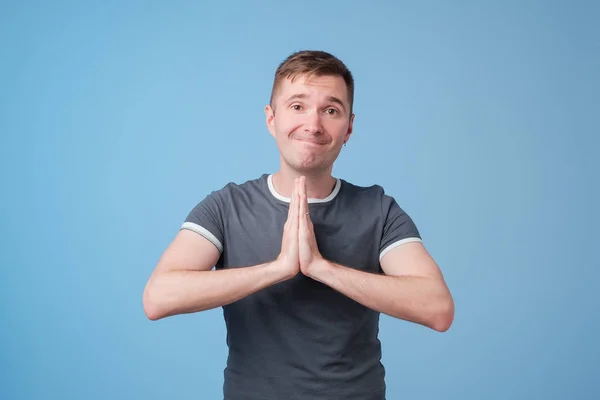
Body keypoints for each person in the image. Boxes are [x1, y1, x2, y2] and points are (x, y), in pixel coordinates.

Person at [143, 50, 454, 400]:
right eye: (297, 106)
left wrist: (322, 268)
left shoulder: (379, 210)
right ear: (271, 118)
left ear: (349, 127)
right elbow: (158, 298)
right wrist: (277, 269)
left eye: (331, 111)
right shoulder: (226, 207)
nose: (313, 124)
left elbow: (437, 309)